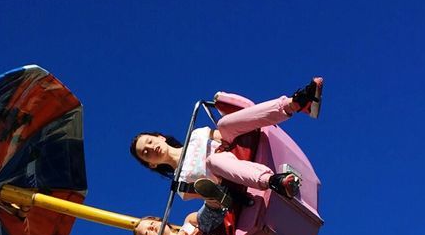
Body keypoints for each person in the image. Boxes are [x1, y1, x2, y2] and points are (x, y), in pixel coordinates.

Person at [130, 78, 322, 198]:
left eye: (149, 141)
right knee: (214, 160)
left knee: (223, 124)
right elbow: (211, 196)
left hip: (230, 147)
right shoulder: (180, 185)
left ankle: (295, 104)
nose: (151, 148)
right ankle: (274, 181)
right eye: (145, 153)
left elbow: (224, 136)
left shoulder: (195, 134)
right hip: (226, 176)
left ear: (160, 137)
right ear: (151, 165)